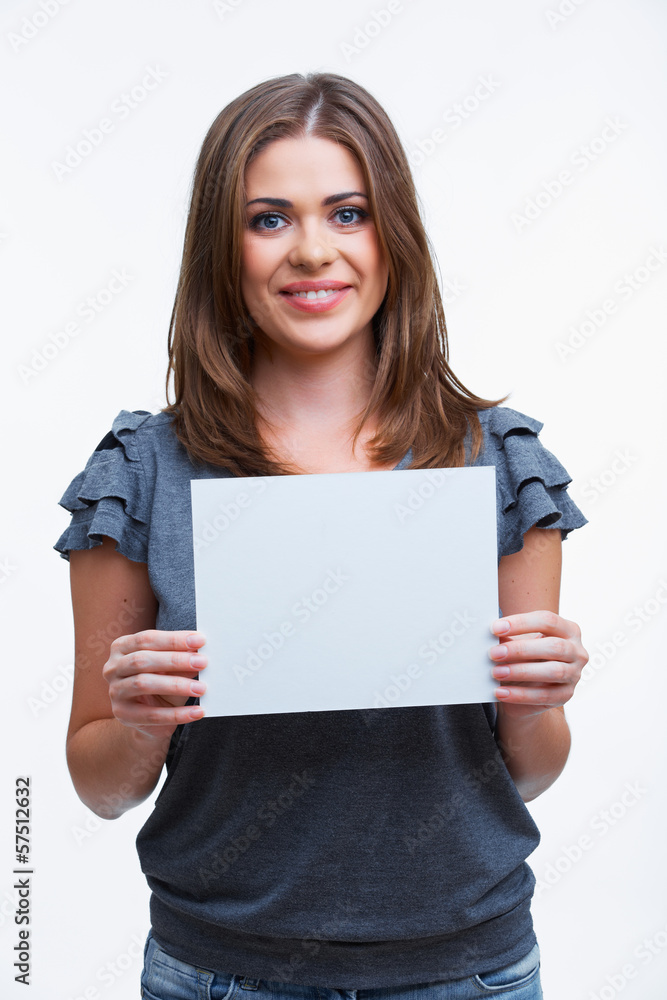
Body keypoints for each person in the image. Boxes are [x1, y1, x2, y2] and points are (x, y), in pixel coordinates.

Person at [54, 72, 589, 999]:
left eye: (347, 213)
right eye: (268, 219)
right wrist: (139, 720)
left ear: (393, 235)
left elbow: (529, 772)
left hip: (463, 970)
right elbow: (101, 787)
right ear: (222, 247)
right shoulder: (142, 472)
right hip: (221, 971)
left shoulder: (499, 461)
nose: (312, 250)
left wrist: (536, 699)